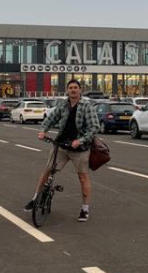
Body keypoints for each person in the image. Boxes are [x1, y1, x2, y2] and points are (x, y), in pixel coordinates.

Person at [24, 79, 100, 221]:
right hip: (61, 146)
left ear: (80, 90)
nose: (73, 90)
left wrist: (80, 141)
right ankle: (35, 199)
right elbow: (50, 119)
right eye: (70, 87)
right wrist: (43, 131)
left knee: (83, 178)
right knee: (47, 171)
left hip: (80, 148)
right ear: (67, 90)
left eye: (75, 88)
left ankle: (85, 209)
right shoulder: (63, 104)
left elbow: (94, 128)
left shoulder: (87, 106)